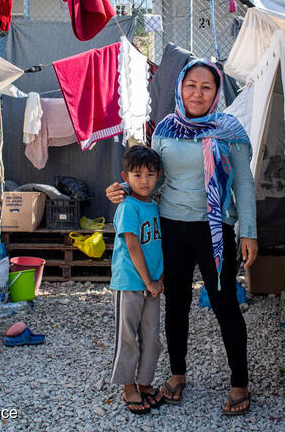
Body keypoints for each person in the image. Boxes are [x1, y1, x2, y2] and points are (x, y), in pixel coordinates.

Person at [106, 59, 258, 416]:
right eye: (191, 85)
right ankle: (177, 373)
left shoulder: (229, 129)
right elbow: (153, 177)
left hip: (215, 230)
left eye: (206, 87)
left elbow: (243, 183)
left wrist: (249, 231)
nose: (197, 93)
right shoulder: (165, 130)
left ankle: (239, 382)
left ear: (217, 91)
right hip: (170, 229)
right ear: (180, 87)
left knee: (224, 306)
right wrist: (123, 189)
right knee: (175, 305)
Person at [109, 145, 165, 415]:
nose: (144, 181)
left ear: (159, 176)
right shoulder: (127, 207)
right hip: (130, 283)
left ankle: (145, 382)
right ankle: (128, 385)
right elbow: (133, 247)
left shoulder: (155, 205)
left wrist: (159, 279)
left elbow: (158, 247)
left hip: (152, 284)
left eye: (150, 175)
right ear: (126, 177)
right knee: (128, 336)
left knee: (152, 337)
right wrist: (149, 282)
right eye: (137, 175)